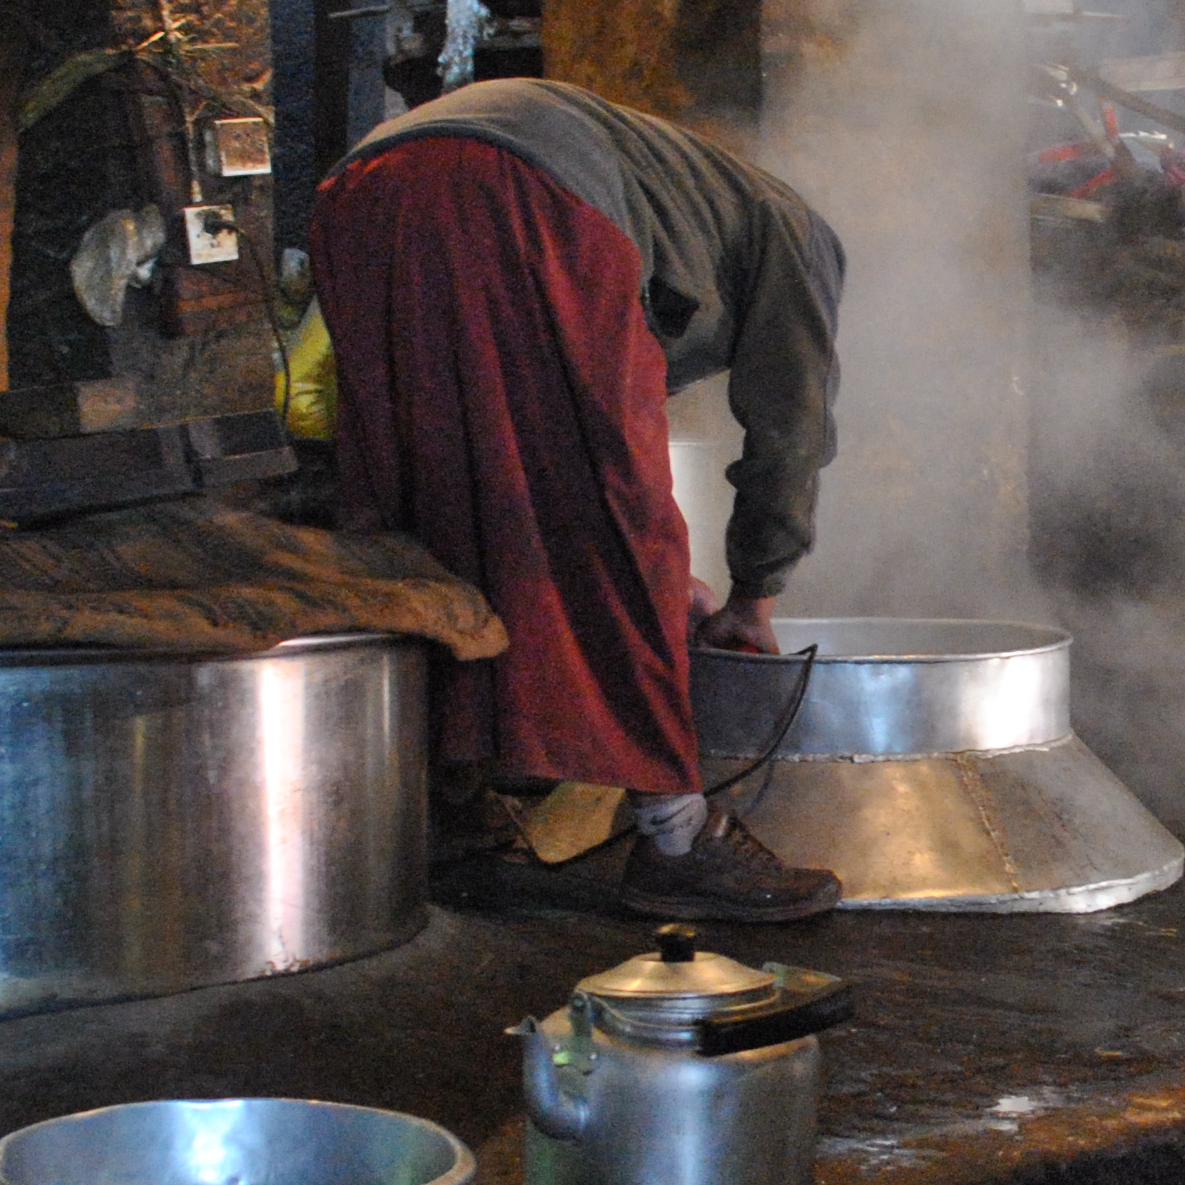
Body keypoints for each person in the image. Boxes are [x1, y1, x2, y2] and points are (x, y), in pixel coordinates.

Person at [312, 76, 845, 920]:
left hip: (362, 193)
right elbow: (792, 431)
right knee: (616, 524)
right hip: (522, 191)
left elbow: (533, 471)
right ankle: (675, 837)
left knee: (433, 502)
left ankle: (441, 803)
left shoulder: (690, 203)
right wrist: (753, 591)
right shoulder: (799, 238)